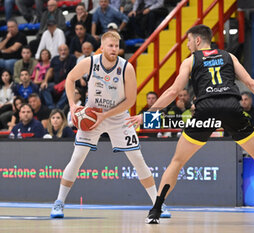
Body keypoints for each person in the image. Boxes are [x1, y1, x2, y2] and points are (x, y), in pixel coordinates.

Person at [126, 24, 254, 225]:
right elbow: (251, 84)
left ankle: (155, 210)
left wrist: (146, 115)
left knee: (177, 162)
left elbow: (173, 91)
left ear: (198, 40)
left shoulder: (190, 61)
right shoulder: (229, 57)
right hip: (231, 107)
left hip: (205, 109)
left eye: (189, 41)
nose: (188, 45)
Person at [50, 30, 170, 219]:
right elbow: (70, 79)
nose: (114, 49)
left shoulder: (126, 67)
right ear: (103, 47)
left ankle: (158, 204)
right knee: (77, 157)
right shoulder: (90, 62)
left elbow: (130, 100)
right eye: (110, 46)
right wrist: (73, 106)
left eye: (116, 46)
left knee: (138, 159)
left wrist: (105, 116)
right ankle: (59, 203)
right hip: (92, 114)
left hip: (118, 117)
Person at [40, 44, 76, 109]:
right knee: (44, 88)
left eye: (65, 50)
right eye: (61, 50)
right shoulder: (55, 59)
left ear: (68, 50)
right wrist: (45, 81)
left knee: (69, 89)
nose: (63, 52)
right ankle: (51, 107)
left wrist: (67, 82)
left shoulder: (72, 58)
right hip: (56, 83)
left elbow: (74, 72)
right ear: (58, 52)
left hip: (67, 83)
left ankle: (58, 107)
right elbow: (50, 70)